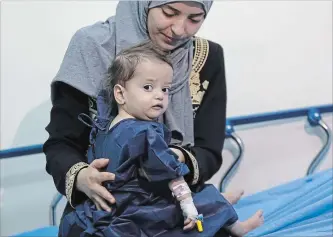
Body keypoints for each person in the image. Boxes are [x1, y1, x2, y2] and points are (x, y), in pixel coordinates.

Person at [43, 1, 248, 236]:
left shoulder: (207, 57)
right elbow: (61, 144)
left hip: (173, 204)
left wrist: (173, 158)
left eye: (195, 19)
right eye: (169, 13)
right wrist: (82, 178)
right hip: (104, 207)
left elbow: (208, 150)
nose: (180, 29)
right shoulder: (93, 46)